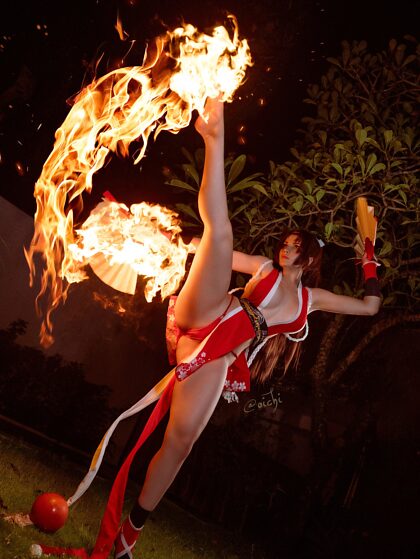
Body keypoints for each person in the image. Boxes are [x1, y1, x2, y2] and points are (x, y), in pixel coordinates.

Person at [112, 97, 381, 559]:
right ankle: (214, 137)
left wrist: (370, 256)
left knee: (180, 444)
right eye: (286, 244)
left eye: (295, 248)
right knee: (220, 234)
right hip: (208, 316)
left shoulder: (311, 300)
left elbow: (371, 308)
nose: (286, 250)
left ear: (310, 259)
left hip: (224, 355)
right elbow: (208, 248)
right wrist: (157, 237)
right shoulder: (262, 269)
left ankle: (125, 539)